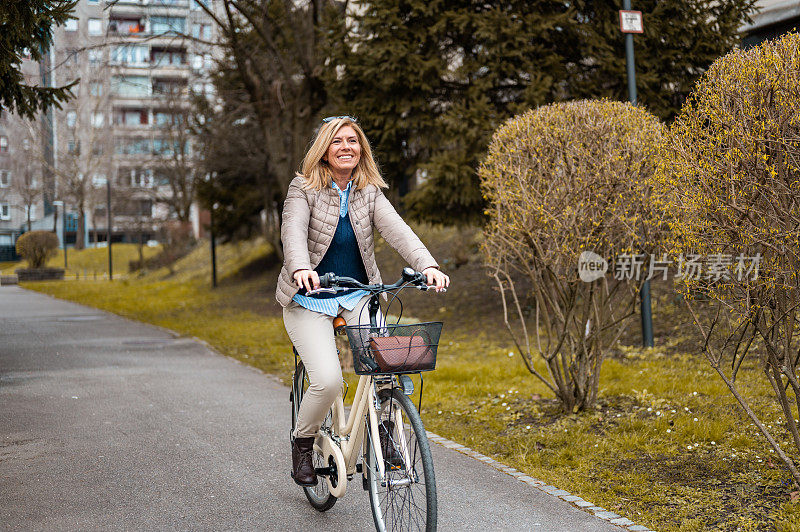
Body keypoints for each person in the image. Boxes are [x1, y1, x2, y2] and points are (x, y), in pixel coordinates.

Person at [277, 116, 449, 486]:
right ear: (324, 149)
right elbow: (292, 231)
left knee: (389, 367)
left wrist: (427, 264)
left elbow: (397, 230)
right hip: (309, 298)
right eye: (337, 141)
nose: (345, 147)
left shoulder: (368, 191)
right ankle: (303, 443)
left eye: (352, 141)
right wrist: (301, 268)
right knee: (327, 381)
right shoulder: (303, 187)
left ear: (361, 150)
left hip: (358, 295)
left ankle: (383, 434)